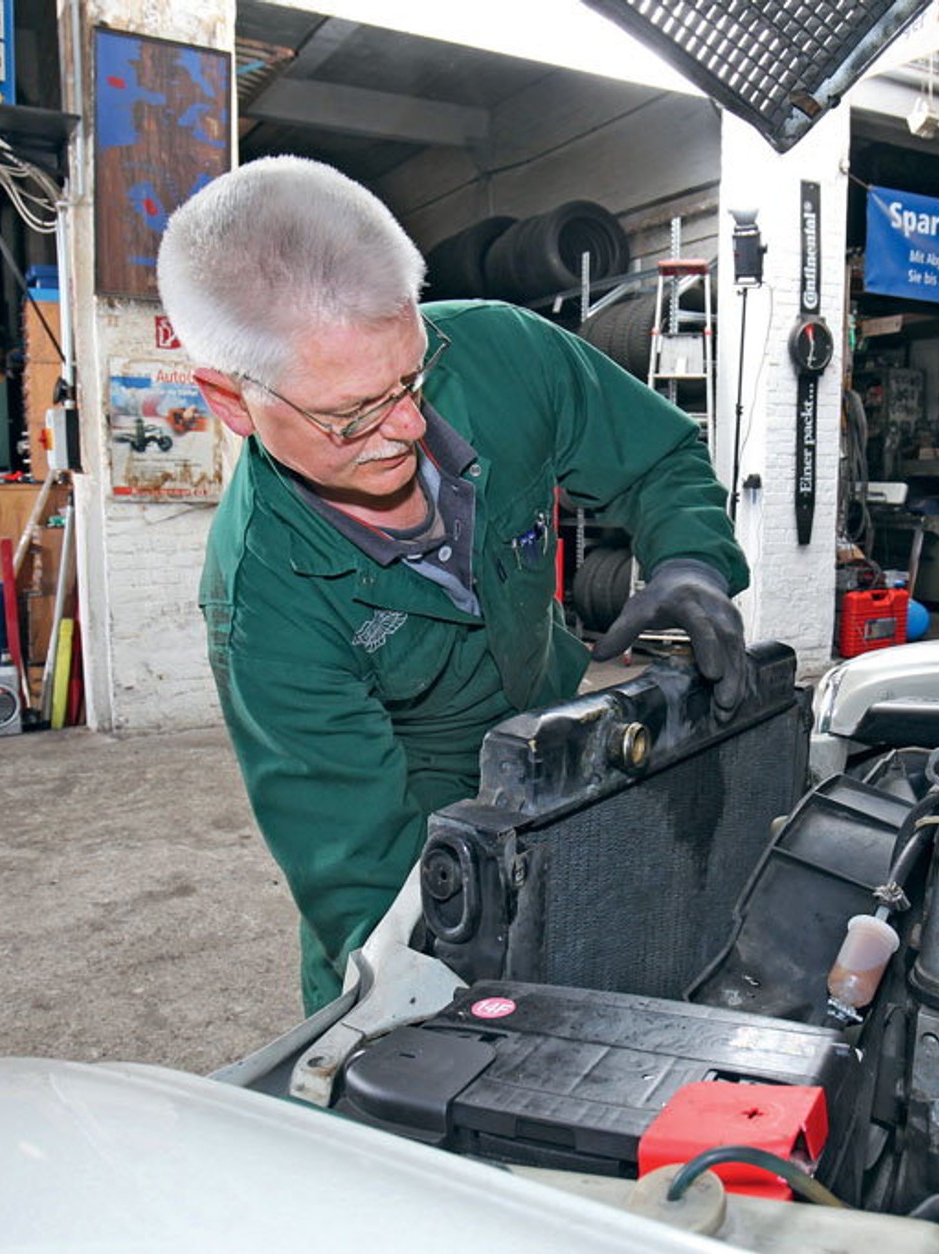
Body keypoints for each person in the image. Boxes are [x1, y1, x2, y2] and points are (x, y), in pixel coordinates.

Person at [157, 156, 749, 1013]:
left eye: (411, 375)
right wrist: (421, 987)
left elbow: (656, 454)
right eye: (353, 413)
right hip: (422, 818)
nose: (407, 425)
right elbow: (355, 868)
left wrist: (692, 560)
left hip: (561, 746)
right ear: (232, 401)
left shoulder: (501, 352)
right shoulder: (264, 602)